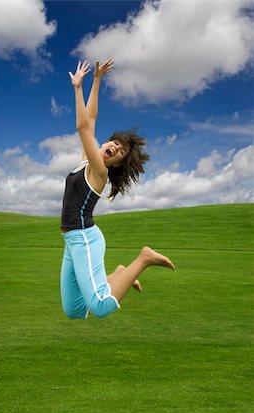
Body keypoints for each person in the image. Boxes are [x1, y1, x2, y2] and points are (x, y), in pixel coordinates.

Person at [60, 59, 175, 319]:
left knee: (100, 306)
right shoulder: (85, 162)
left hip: (85, 239)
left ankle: (144, 258)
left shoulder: (99, 172)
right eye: (114, 143)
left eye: (120, 152)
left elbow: (81, 127)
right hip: (70, 240)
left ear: (115, 163)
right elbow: (90, 119)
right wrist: (97, 80)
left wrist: (77, 88)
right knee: (74, 310)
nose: (115, 148)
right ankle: (120, 274)